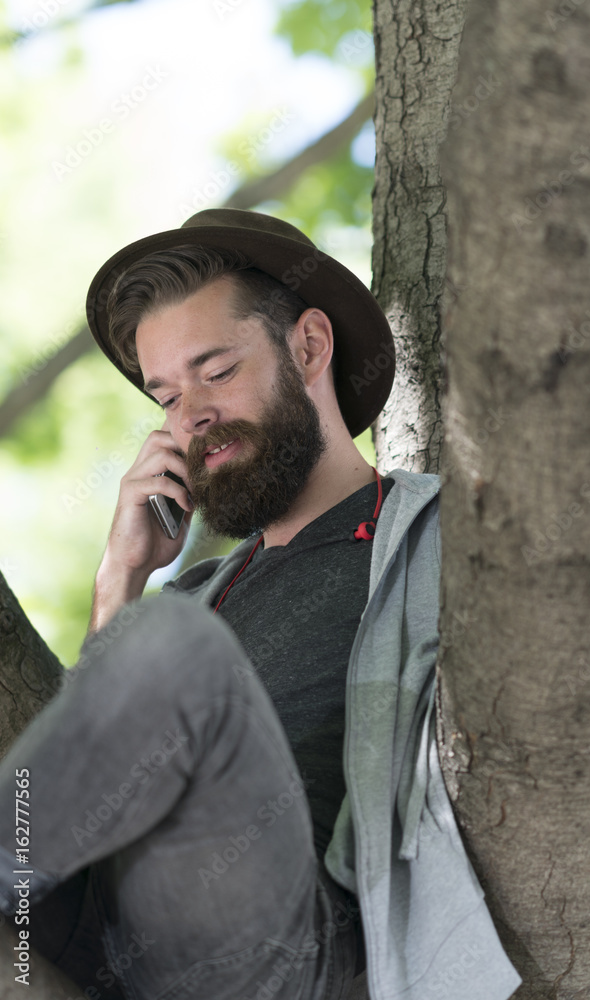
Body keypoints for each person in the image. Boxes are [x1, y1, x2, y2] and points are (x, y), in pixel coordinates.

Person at [0, 210, 520, 1000]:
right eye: (166, 396)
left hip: (284, 946)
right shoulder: (194, 594)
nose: (189, 416)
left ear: (307, 346)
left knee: (170, 641)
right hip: (98, 938)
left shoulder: (442, 536)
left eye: (215, 371)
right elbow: (96, 792)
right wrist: (120, 581)